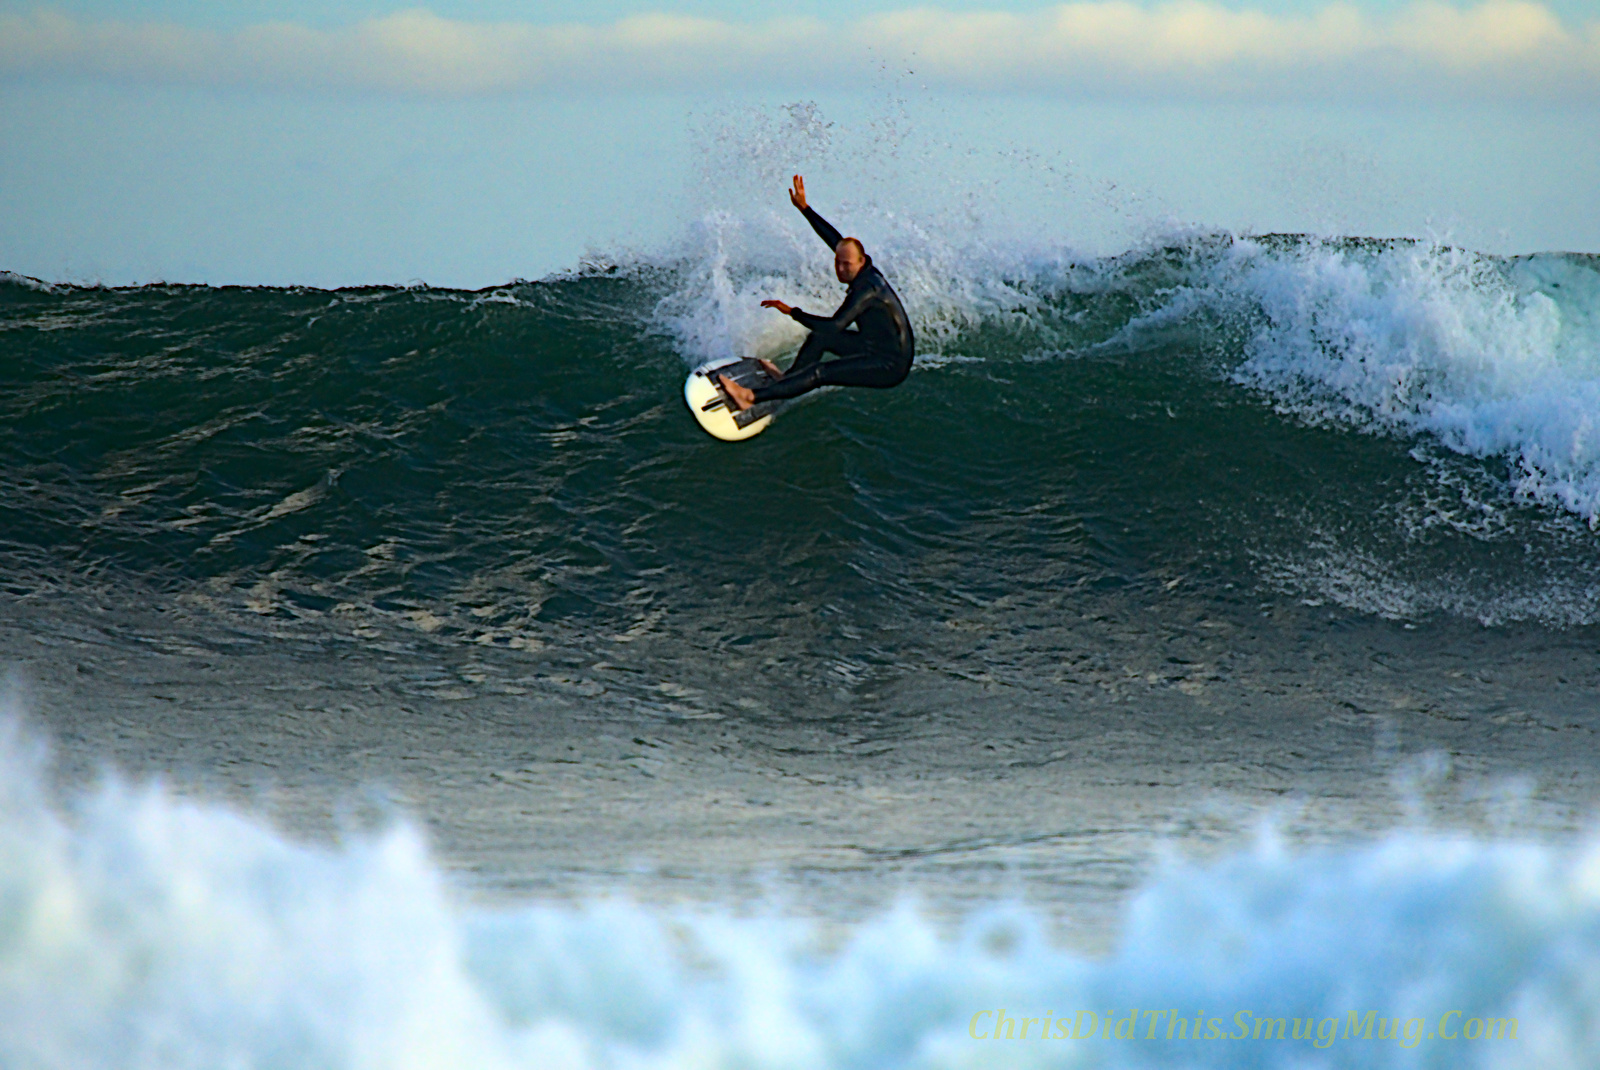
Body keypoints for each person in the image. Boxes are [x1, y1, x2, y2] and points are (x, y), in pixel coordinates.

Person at [719, 176, 915, 411]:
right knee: (819, 339)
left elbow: (835, 325)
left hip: (890, 365)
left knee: (820, 371)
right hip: (870, 345)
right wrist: (805, 209)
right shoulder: (862, 269)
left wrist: (793, 312)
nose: (840, 269)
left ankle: (750, 398)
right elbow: (835, 239)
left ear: (861, 261)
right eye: (838, 262)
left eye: (847, 265)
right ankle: (787, 382)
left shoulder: (867, 290)